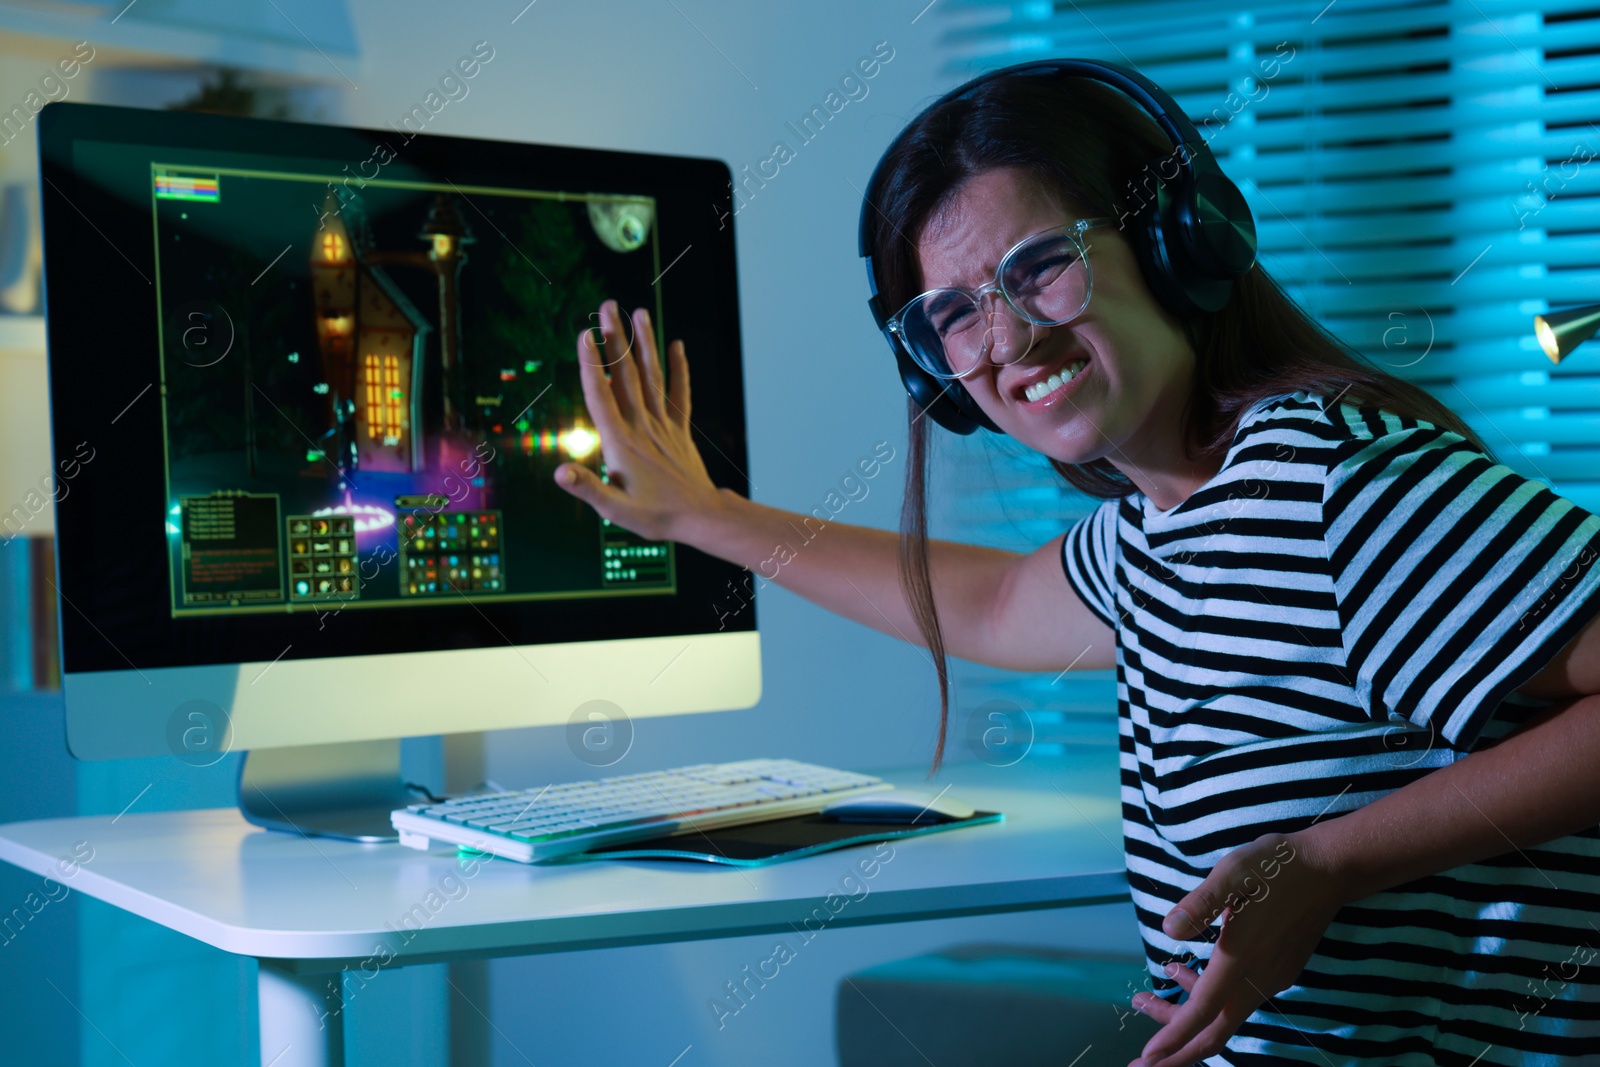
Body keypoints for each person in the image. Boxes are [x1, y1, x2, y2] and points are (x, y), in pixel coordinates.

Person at [552, 63, 1600, 1067]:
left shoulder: (1332, 484)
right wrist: (705, 514)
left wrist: (1330, 862)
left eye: (1039, 266)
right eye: (955, 313)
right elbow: (1001, 602)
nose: (1004, 339)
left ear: (1176, 241)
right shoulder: (1161, 525)